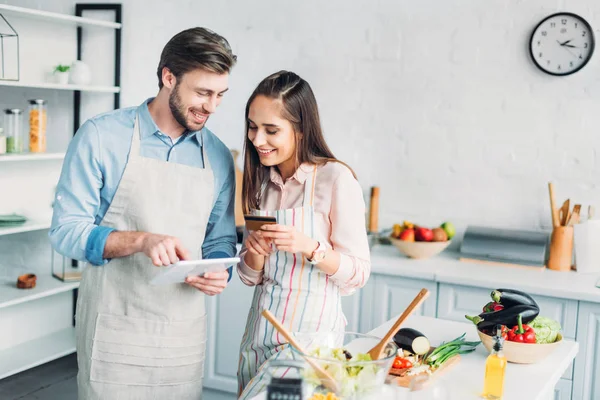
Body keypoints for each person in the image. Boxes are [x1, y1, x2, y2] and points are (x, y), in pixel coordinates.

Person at [49, 27, 237, 399]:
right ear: (169, 77)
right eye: (202, 93)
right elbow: (65, 231)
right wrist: (140, 240)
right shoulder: (102, 137)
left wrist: (219, 268)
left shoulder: (217, 155)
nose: (212, 107)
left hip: (181, 338)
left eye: (220, 95)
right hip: (115, 334)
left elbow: (219, 238)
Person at [236, 71, 371, 399]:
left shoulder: (335, 179)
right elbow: (249, 276)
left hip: (307, 344)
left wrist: (312, 248)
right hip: (259, 335)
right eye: (253, 127)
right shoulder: (261, 183)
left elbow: (358, 273)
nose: (257, 140)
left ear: (300, 129)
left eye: (271, 130)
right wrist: (253, 253)